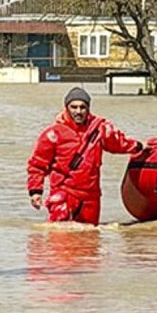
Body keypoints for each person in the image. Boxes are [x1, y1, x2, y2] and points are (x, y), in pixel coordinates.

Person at [27, 87, 143, 225]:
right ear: (66, 108)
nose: (78, 111)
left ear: (88, 108)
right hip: (64, 195)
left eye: (82, 107)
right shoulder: (53, 134)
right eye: (74, 107)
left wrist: (140, 147)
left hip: (91, 198)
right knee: (59, 235)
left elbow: (119, 143)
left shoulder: (99, 129)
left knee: (90, 236)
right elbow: (37, 165)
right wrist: (35, 192)